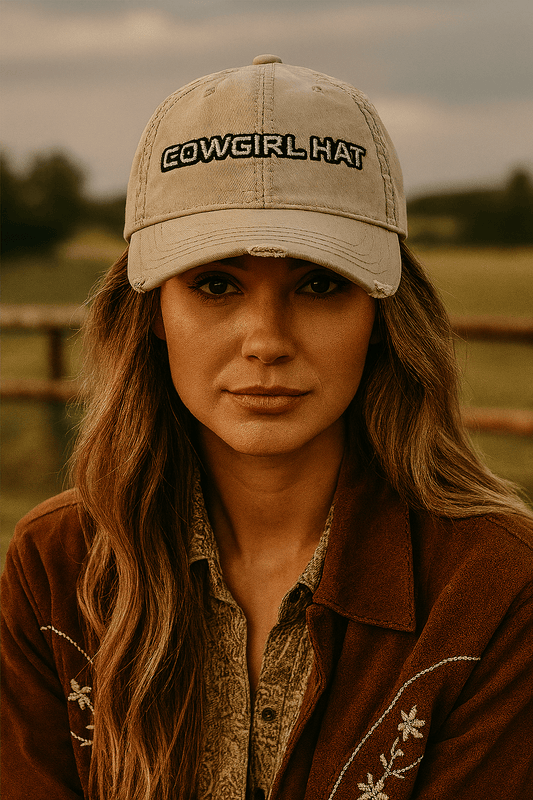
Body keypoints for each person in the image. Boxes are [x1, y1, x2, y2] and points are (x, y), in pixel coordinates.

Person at [1, 54, 532, 800]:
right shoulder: (56, 569)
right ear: (152, 313)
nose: (266, 339)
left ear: (380, 316)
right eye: (215, 284)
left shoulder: (494, 586)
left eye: (320, 284)